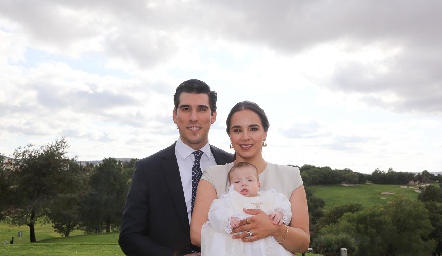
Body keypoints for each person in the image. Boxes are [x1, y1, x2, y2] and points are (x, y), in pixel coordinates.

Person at [119, 79, 234, 256]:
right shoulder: (148, 169)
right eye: (186, 109)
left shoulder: (232, 165)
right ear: (175, 115)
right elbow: (129, 236)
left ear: (213, 116)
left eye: (202, 109)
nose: (193, 117)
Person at [190, 100, 310, 254]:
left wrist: (274, 229)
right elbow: (196, 234)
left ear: (265, 133)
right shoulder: (213, 176)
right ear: (230, 135)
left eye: (253, 129)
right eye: (237, 130)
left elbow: (302, 243)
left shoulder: (290, 176)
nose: (245, 137)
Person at [201, 161, 292, 256]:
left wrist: (279, 213)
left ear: (258, 185)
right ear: (230, 186)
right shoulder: (228, 199)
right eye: (237, 181)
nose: (244, 184)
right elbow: (215, 213)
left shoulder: (270, 197)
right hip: (239, 247)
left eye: (249, 180)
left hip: (267, 245)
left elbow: (284, 204)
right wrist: (228, 218)